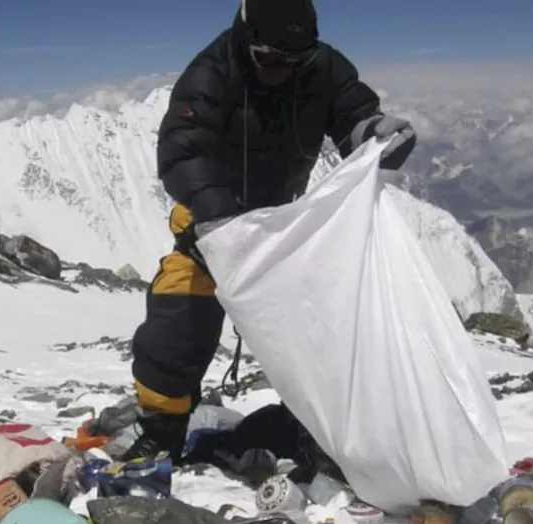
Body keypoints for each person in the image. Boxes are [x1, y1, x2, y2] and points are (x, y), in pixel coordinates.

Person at [120, 0, 417, 461]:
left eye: (295, 60)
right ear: (245, 38)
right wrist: (219, 218)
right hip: (208, 226)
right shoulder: (211, 75)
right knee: (177, 321)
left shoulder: (322, 67)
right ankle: (162, 430)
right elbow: (181, 152)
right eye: (270, 59)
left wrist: (373, 133)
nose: (282, 70)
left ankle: (314, 428)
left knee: (316, 329)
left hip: (283, 228)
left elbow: (350, 115)